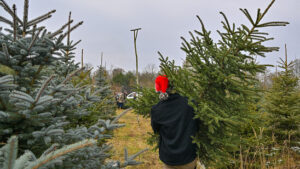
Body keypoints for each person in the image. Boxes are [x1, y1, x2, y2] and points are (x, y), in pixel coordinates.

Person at [151, 75, 198, 169]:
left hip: (169, 158)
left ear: (158, 89)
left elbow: (156, 130)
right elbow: (198, 124)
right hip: (188, 156)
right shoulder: (190, 103)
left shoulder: (156, 109)